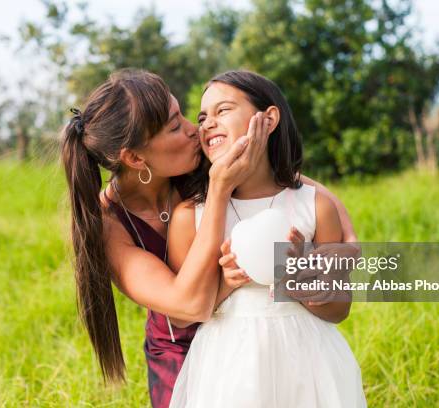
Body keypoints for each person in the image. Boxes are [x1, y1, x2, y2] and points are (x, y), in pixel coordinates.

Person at [60, 68, 358, 408]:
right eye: (175, 126)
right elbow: (188, 307)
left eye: (185, 116)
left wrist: (346, 240)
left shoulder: (198, 157)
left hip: (282, 342)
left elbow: (283, 182)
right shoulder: (109, 226)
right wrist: (219, 189)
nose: (194, 129)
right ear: (135, 157)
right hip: (183, 349)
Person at [168, 70, 366, 407]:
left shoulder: (314, 206)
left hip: (307, 360)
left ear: (269, 118)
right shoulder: (191, 215)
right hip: (227, 365)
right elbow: (180, 315)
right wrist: (227, 283)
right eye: (203, 117)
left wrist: (305, 284)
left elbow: (340, 308)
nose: (207, 123)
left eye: (223, 110)